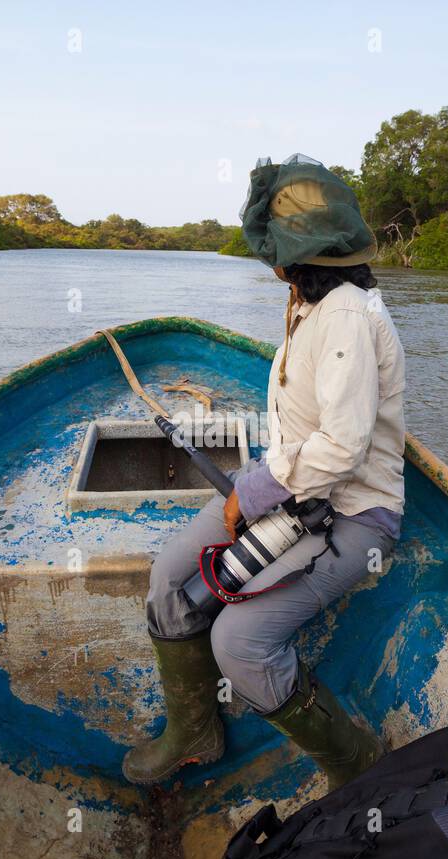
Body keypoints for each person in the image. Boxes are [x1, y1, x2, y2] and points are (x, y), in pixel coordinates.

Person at [123, 155, 407, 793]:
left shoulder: (346, 318)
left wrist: (250, 492)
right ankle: (193, 728)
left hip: (355, 515)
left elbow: (342, 448)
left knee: (241, 642)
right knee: (171, 575)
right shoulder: (310, 302)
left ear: (290, 256)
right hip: (295, 493)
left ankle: (360, 771)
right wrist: (261, 491)